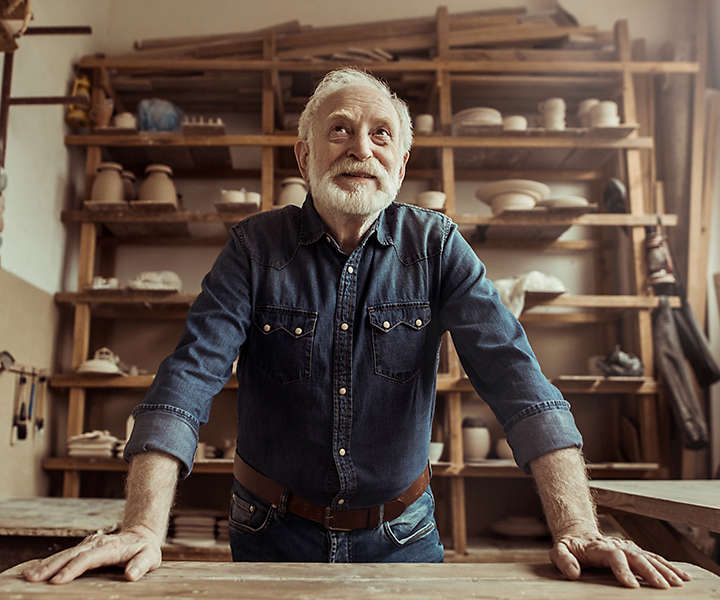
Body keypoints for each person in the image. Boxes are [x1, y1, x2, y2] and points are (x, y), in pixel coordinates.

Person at [24, 68, 689, 588]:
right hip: (268, 531)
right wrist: (141, 526)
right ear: (304, 153)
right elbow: (187, 380)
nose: (358, 148)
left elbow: (519, 382)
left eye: (379, 134)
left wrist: (577, 528)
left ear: (400, 163)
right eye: (338, 131)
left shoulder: (439, 246)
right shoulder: (254, 248)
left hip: (403, 534)